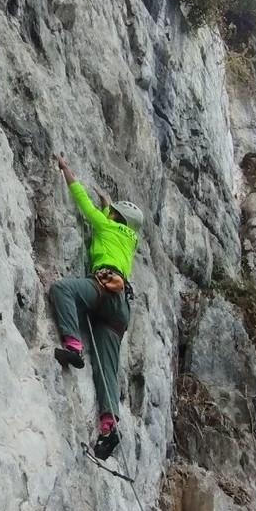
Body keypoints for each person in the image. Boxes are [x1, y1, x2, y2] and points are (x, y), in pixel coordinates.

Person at [50, 154, 144, 460]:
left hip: (103, 289)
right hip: (121, 310)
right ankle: (108, 426)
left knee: (63, 289)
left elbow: (85, 206)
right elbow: (109, 221)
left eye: (112, 213)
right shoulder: (129, 240)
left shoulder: (106, 225)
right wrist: (109, 204)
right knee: (107, 369)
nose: (109, 214)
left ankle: (73, 346)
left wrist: (67, 170)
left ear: (115, 218)